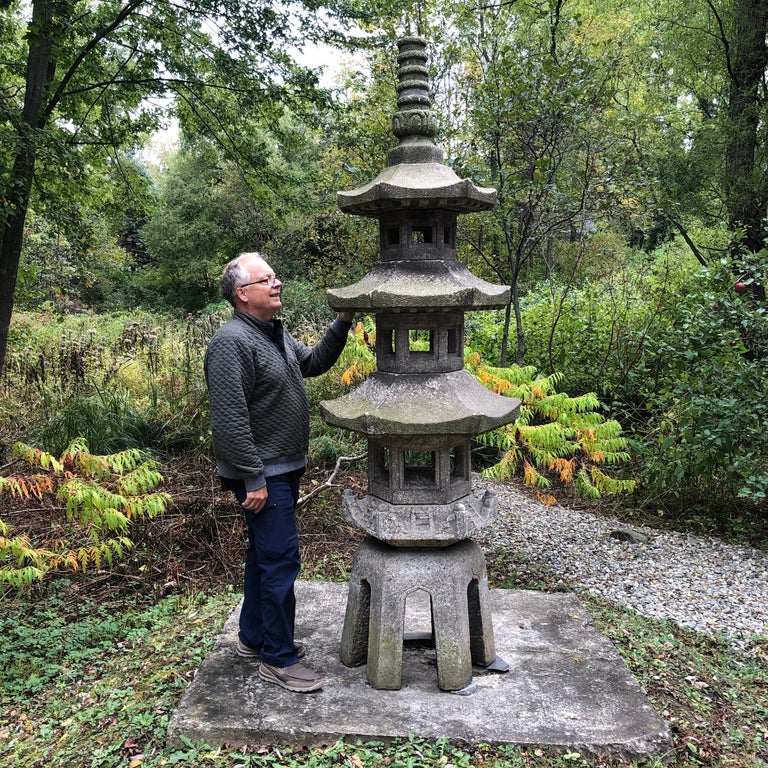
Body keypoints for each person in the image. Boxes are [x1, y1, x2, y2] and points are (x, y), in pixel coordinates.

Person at [204, 251, 352, 693]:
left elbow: (312, 364)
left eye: (276, 275)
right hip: (262, 474)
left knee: (263, 557)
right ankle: (278, 658)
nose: (277, 283)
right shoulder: (231, 342)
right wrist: (253, 478)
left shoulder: (273, 333)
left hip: (279, 469)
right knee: (280, 561)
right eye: (267, 279)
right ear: (242, 294)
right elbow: (229, 420)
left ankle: (254, 638)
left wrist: (342, 321)